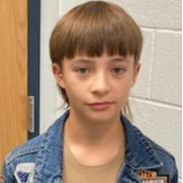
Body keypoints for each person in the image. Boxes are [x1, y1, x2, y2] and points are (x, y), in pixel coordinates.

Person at [1, 1, 178, 183]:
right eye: (83, 70)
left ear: (134, 73)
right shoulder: (19, 167)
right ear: (59, 74)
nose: (101, 86)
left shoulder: (162, 168)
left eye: (117, 70)